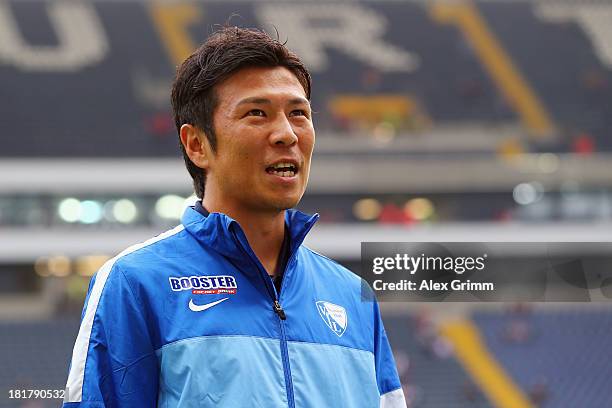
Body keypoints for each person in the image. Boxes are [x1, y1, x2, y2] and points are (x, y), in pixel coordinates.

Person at [63, 26, 405, 408]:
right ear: (197, 145)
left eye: (299, 114)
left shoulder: (352, 295)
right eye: (257, 113)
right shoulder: (134, 283)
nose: (287, 134)